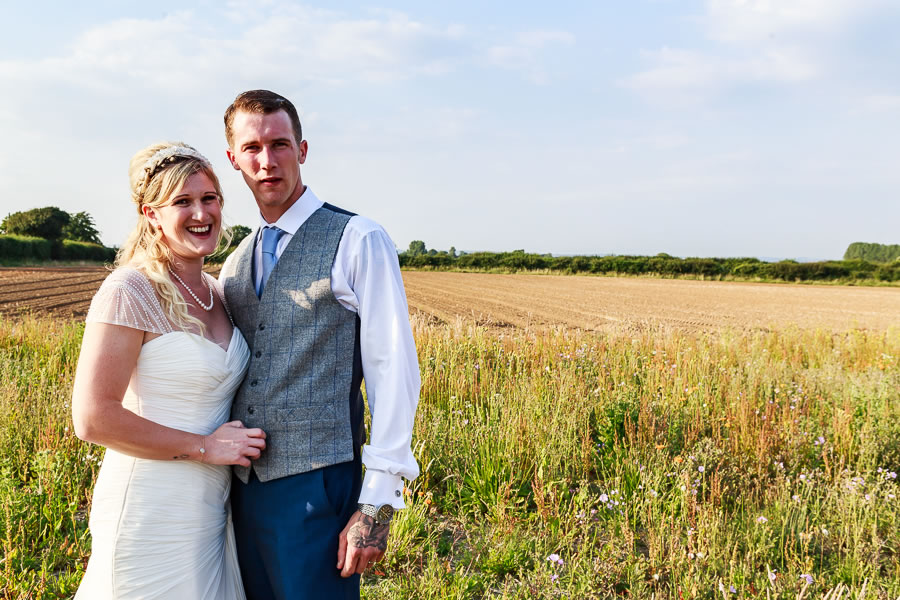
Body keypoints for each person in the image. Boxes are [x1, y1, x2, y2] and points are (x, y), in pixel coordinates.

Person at [218, 89, 420, 599]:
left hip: (319, 484)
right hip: (241, 489)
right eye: (253, 149)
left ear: (302, 150)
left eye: (280, 145)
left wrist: (377, 501)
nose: (268, 162)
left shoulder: (359, 238)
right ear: (233, 160)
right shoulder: (236, 258)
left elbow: (391, 366)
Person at [72, 142, 267, 599]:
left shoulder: (220, 293)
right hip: (148, 507)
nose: (200, 212)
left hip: (209, 509)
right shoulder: (130, 289)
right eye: (182, 201)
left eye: (209, 198)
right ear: (151, 215)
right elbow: (93, 417)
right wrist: (204, 447)